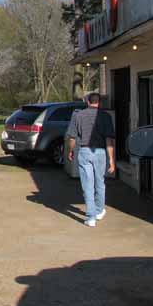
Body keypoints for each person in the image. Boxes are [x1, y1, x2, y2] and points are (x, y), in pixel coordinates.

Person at [66, 92, 116, 227]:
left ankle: (91, 217)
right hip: (100, 152)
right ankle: (99, 210)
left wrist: (71, 151)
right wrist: (111, 159)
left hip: (84, 151)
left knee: (87, 184)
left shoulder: (78, 115)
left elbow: (72, 137)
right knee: (100, 182)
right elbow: (109, 139)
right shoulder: (106, 117)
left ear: (87, 102)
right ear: (99, 102)